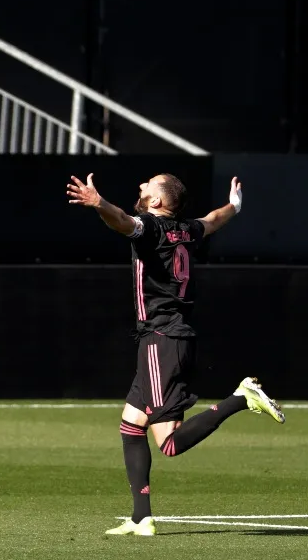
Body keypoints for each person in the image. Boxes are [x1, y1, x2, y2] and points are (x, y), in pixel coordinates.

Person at [65, 172, 285, 536]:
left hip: (161, 338)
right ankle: (142, 518)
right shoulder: (186, 229)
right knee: (131, 425)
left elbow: (121, 222)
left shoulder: (150, 228)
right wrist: (235, 206)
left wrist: (98, 203)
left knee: (168, 443)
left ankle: (240, 398)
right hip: (166, 336)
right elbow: (212, 220)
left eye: (148, 185)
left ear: (156, 202)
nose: (140, 186)